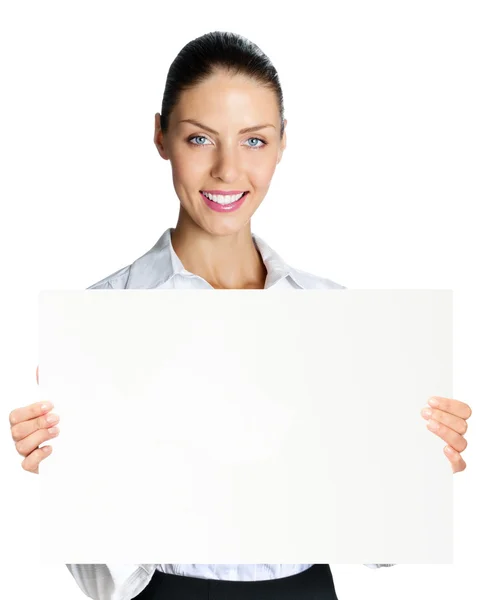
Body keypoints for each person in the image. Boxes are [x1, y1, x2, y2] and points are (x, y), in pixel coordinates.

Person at [8, 30, 471, 600]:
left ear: (281, 145)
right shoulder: (99, 319)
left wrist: (417, 467)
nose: (228, 170)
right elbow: (106, 584)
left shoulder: (339, 317)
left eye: (254, 141)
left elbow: (380, 546)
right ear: (160, 136)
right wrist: (68, 473)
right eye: (201, 138)